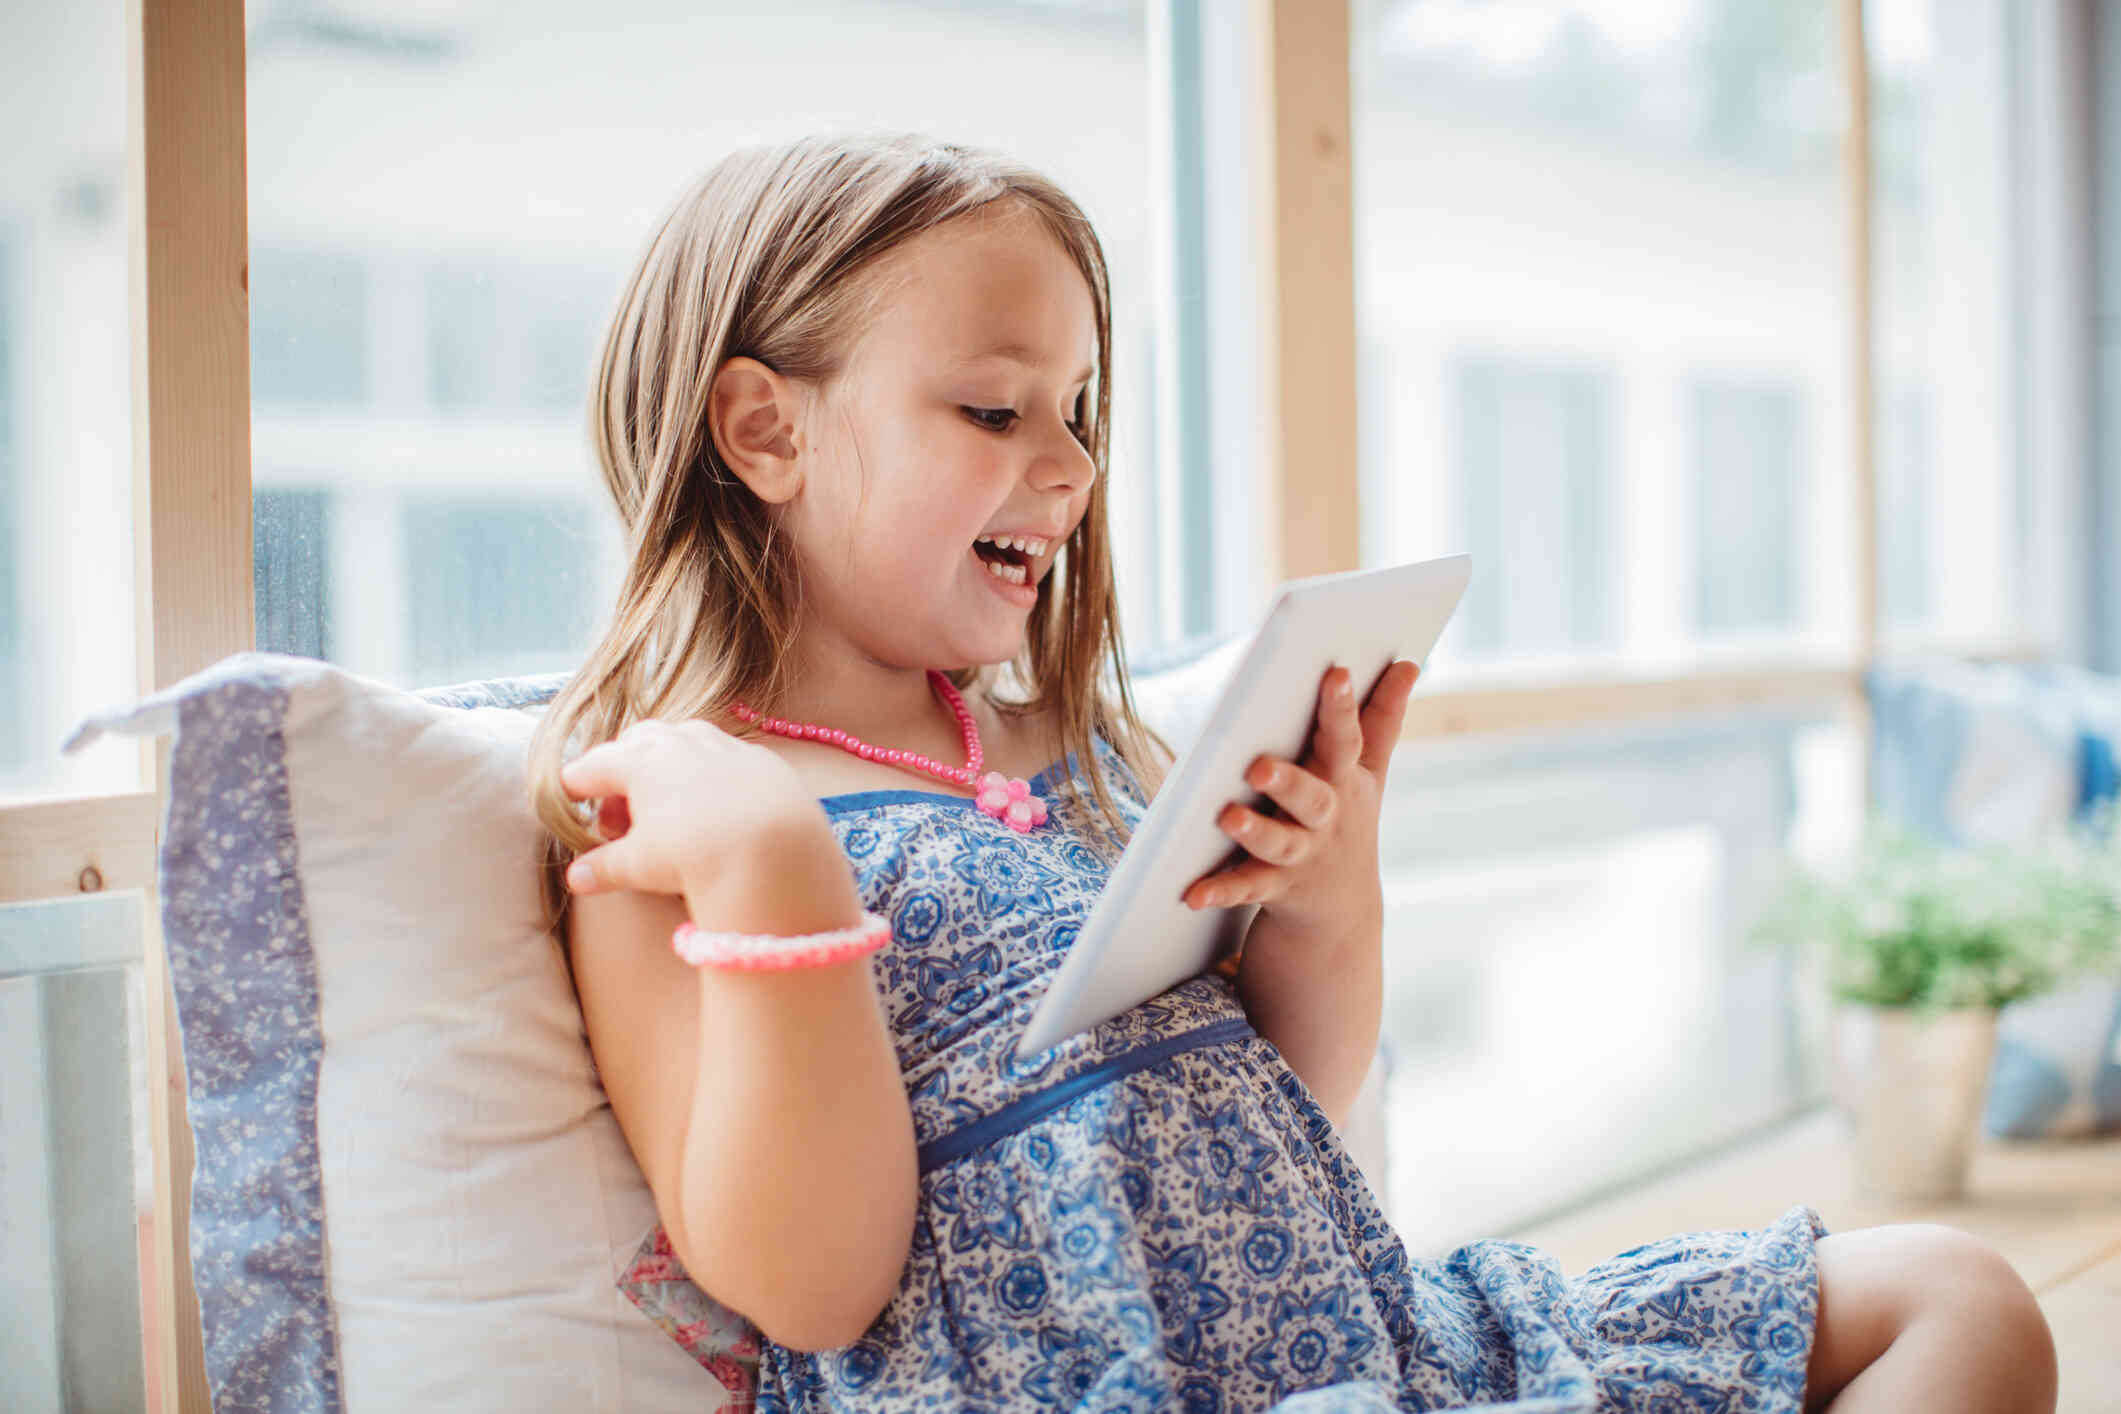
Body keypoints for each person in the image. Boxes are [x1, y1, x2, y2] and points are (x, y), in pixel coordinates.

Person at [525, 133, 2058, 1413]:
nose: (1066, 466)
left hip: (1384, 1341)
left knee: (1955, 1295)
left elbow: (1284, 1097)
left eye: (1078, 412)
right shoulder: (677, 813)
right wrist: (773, 873)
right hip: (1103, 1381)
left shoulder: (1065, 745)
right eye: (994, 410)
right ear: (760, 427)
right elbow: (808, 1281)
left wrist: (1327, 895)